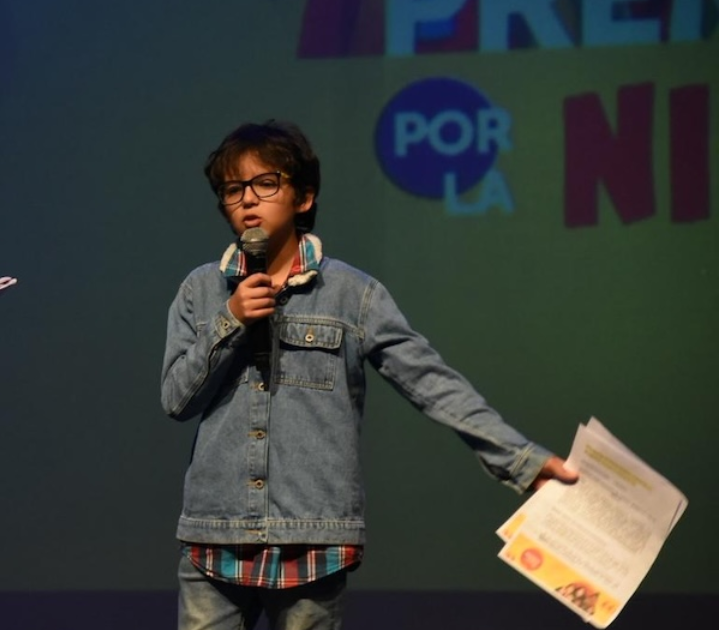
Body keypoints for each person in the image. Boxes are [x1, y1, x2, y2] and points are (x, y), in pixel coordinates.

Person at [160, 120, 578, 630]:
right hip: (215, 534)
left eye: (265, 183)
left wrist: (521, 460)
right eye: (232, 189)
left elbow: (430, 382)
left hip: (313, 537)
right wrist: (230, 319)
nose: (248, 199)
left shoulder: (352, 295)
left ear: (304, 197)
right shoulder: (200, 291)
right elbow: (177, 400)